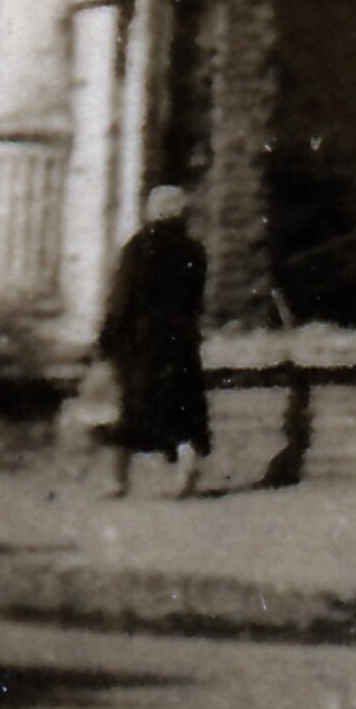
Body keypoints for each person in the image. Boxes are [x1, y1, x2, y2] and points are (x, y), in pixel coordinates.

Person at [94, 198, 215, 499]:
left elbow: (121, 298)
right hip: (181, 340)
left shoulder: (137, 247)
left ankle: (116, 480)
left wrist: (107, 338)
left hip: (141, 341)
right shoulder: (194, 250)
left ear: (152, 211)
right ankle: (186, 470)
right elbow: (197, 299)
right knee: (183, 411)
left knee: (131, 409)